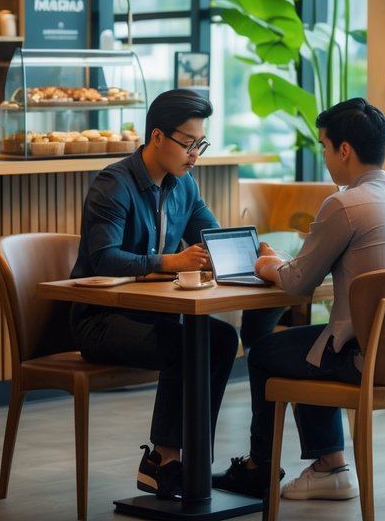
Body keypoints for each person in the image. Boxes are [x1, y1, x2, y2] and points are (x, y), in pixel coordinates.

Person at [214, 98, 385, 501]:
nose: (325, 157)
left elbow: (298, 284)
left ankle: (264, 469)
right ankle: (329, 466)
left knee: (265, 352)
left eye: (325, 147)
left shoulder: (344, 204)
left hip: (365, 359)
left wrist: (266, 264)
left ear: (344, 150)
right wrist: (286, 265)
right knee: (313, 344)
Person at [69, 88, 238, 500]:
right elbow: (105, 258)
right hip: (100, 321)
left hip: (153, 317)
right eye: (188, 143)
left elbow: (213, 238)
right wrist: (170, 261)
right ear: (158, 137)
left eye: (200, 144)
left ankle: (189, 462)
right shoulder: (113, 184)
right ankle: (163, 461)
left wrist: (253, 253)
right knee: (188, 346)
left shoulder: (185, 186)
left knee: (221, 339)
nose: (195, 155)